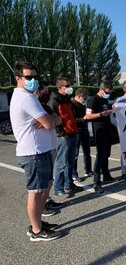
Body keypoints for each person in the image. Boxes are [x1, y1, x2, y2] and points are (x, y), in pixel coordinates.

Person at [10, 61, 61, 242]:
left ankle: (37, 223)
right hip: (34, 153)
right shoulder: (26, 98)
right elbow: (49, 123)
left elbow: (51, 120)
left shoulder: (26, 96)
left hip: (40, 151)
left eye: (35, 77)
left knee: (41, 193)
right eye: (28, 77)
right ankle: (36, 230)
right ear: (18, 78)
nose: (33, 80)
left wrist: (52, 119)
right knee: (36, 192)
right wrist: (54, 120)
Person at [34, 80, 64, 211]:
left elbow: (58, 119)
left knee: (48, 180)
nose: (47, 93)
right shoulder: (34, 106)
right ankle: (42, 207)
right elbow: (50, 123)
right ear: (37, 91)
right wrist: (51, 121)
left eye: (48, 91)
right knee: (41, 183)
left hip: (51, 146)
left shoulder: (45, 106)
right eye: (45, 91)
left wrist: (52, 121)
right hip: (40, 148)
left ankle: (46, 200)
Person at [49, 77, 80, 198]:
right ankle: (58, 189)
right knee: (61, 163)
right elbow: (51, 116)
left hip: (72, 132)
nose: (69, 87)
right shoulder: (54, 100)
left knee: (70, 162)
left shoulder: (66, 99)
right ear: (60, 87)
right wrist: (60, 131)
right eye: (67, 86)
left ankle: (69, 185)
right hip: (64, 136)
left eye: (69, 85)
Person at [84, 79, 115, 194]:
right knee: (100, 155)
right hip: (99, 130)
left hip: (107, 129)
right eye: (107, 91)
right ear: (101, 89)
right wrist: (101, 114)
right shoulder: (93, 100)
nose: (109, 93)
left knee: (107, 154)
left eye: (110, 92)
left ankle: (106, 176)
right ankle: (96, 182)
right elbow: (87, 116)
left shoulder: (105, 99)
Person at [71, 88, 93, 181]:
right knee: (74, 154)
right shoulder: (71, 105)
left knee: (87, 152)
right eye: (84, 98)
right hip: (76, 131)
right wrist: (83, 119)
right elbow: (72, 120)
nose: (85, 100)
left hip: (84, 130)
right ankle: (74, 174)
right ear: (79, 96)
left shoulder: (83, 104)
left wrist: (88, 117)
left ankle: (88, 170)